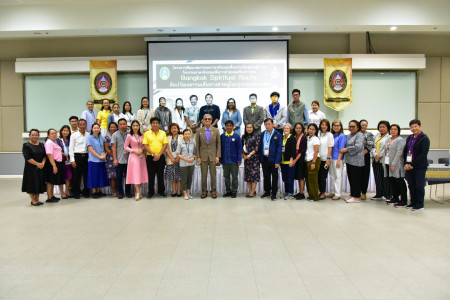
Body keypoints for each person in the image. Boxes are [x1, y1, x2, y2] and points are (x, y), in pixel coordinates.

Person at [403, 119, 430, 211]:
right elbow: (406, 152)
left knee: (419, 185)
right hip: (409, 166)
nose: (414, 128)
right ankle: (413, 202)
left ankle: (420, 204)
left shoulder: (424, 138)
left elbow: (423, 154)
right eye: (412, 127)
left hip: (419, 167)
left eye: (416, 126)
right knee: (411, 185)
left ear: (420, 127)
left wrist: (412, 164)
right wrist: (406, 163)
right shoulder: (409, 138)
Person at [195, 114, 221, 198]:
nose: (207, 120)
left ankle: (213, 191)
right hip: (203, 156)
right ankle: (204, 191)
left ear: (211, 120)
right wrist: (198, 157)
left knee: (213, 175)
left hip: (213, 156)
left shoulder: (216, 130)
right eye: (205, 119)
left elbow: (218, 144)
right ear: (202, 120)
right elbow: (197, 145)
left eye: (209, 119)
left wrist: (218, 156)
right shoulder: (199, 131)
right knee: (204, 175)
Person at [382, 124, 407, 207]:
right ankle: (395, 198)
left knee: (399, 182)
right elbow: (385, 151)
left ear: (398, 131)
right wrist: (384, 163)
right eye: (392, 129)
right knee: (392, 182)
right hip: (387, 162)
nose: (393, 131)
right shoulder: (388, 139)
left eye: (395, 129)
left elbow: (399, 153)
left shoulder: (400, 140)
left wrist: (393, 164)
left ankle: (403, 200)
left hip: (396, 164)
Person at [143, 117, 168, 198]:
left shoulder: (163, 133)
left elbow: (165, 144)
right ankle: (151, 192)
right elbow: (145, 145)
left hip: (161, 157)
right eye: (153, 123)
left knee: (160, 175)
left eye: (157, 123)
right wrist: (153, 155)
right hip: (150, 157)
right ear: (151, 124)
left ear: (159, 124)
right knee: (151, 176)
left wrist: (159, 155)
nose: (155, 124)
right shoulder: (147, 133)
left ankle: (161, 191)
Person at [340, 120, 365, 203]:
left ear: (358, 127)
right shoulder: (349, 135)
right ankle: (352, 194)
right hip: (349, 160)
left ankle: (356, 196)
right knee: (351, 178)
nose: (351, 128)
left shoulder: (360, 135)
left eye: (353, 126)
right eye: (349, 126)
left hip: (357, 161)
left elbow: (358, 147)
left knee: (356, 179)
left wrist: (346, 149)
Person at [124, 120, 148, 200]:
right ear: (131, 126)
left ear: (139, 126)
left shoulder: (142, 135)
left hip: (141, 156)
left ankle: (138, 192)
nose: (135, 127)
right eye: (133, 125)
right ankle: (137, 193)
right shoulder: (129, 136)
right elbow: (125, 147)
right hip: (134, 156)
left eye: (137, 125)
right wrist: (134, 150)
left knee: (140, 174)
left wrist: (143, 149)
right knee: (136, 174)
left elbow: (145, 145)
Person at [259, 118, 282, 201]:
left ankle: (274, 193)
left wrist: (277, 161)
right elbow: (260, 147)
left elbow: (279, 149)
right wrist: (260, 159)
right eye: (266, 124)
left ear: (272, 124)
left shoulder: (277, 134)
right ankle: (267, 191)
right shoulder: (262, 134)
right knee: (266, 176)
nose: (267, 126)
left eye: (269, 124)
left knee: (274, 177)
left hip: (274, 159)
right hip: (265, 158)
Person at [22, 129, 46, 206]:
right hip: (30, 168)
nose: (34, 136)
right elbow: (27, 157)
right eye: (33, 135)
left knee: (38, 183)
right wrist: (37, 164)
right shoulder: (26, 145)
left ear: (38, 136)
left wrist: (42, 163)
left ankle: (37, 199)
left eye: (36, 135)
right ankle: (33, 200)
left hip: (40, 168)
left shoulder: (42, 145)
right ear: (29, 136)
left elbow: (44, 156)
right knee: (31, 183)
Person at [86, 123, 109, 198]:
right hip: (93, 160)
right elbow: (90, 149)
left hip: (102, 160)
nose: (96, 129)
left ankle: (98, 191)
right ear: (92, 129)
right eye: (94, 128)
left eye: (97, 128)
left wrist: (104, 155)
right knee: (94, 176)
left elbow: (104, 148)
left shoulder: (101, 137)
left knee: (100, 176)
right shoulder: (90, 138)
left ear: (100, 129)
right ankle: (94, 192)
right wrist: (99, 156)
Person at [220, 120, 242, 198]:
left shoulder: (237, 136)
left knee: (234, 177)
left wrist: (239, 160)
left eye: (230, 125)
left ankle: (234, 191)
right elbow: (220, 148)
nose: (229, 127)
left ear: (233, 127)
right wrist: (220, 159)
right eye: (227, 126)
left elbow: (239, 149)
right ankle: (228, 191)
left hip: (234, 161)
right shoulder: (222, 136)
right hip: (225, 160)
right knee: (226, 177)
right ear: (225, 127)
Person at [69, 119, 90, 199]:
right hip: (77, 156)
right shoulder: (74, 135)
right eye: (80, 124)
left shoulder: (88, 135)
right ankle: (76, 192)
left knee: (86, 175)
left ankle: (86, 192)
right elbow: (71, 148)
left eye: (83, 124)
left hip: (86, 156)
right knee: (76, 176)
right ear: (78, 125)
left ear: (86, 125)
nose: (82, 126)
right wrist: (72, 160)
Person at [111, 118, 131, 199]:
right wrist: (115, 159)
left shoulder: (130, 133)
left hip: (129, 159)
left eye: (124, 124)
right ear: (118, 125)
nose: (122, 125)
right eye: (121, 124)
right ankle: (120, 192)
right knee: (118, 177)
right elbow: (114, 148)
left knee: (128, 177)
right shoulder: (115, 134)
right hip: (119, 160)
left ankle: (128, 192)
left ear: (126, 125)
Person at [44, 128, 66, 203]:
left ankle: (52, 196)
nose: (54, 135)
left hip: (58, 163)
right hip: (52, 163)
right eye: (52, 133)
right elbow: (49, 155)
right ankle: (49, 197)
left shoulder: (54, 142)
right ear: (48, 135)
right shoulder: (49, 143)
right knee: (50, 181)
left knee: (53, 181)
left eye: (55, 133)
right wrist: (54, 166)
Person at [327, 120, 347, 200]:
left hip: (337, 159)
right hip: (331, 158)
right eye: (334, 125)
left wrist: (339, 160)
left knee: (338, 176)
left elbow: (341, 149)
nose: (336, 127)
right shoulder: (332, 135)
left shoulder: (342, 136)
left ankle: (338, 193)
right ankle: (333, 191)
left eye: (338, 125)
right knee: (332, 175)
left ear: (341, 127)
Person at [372, 120, 391, 200]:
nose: (382, 129)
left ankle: (387, 195)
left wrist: (380, 155)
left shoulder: (389, 137)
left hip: (384, 160)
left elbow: (387, 148)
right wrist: (375, 155)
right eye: (380, 127)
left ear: (387, 128)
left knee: (385, 177)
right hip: (375, 159)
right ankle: (379, 194)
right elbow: (372, 147)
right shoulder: (376, 136)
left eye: (384, 127)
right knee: (377, 177)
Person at [242, 123, 260, 198]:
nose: (249, 129)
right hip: (246, 159)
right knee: (248, 176)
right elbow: (241, 147)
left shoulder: (256, 136)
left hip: (254, 159)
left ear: (253, 128)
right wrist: (244, 155)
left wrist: (250, 155)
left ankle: (252, 192)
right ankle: (250, 191)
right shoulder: (243, 137)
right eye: (247, 127)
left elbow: (257, 147)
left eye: (250, 127)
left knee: (254, 176)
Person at [177, 129, 197, 200]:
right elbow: (178, 154)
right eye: (186, 134)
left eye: (189, 134)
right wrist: (186, 159)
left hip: (191, 163)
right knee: (184, 179)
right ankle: (185, 193)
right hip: (183, 163)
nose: (187, 135)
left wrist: (193, 158)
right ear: (183, 135)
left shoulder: (193, 143)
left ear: (190, 135)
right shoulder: (180, 143)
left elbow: (194, 153)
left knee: (189, 179)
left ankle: (188, 192)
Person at [317, 119, 334, 199]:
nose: (323, 126)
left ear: (328, 126)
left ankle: (323, 192)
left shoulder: (329, 135)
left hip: (325, 159)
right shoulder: (318, 133)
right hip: (318, 159)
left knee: (322, 177)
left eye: (325, 125)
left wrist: (328, 159)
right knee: (317, 176)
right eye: (322, 124)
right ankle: (319, 192)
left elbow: (330, 148)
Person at [165, 123, 183, 197]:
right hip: (170, 159)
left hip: (180, 159)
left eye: (175, 128)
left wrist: (178, 157)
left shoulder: (181, 137)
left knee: (179, 176)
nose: (174, 130)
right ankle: (174, 191)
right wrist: (172, 158)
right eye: (172, 128)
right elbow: (166, 149)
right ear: (170, 130)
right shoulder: (168, 138)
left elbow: (183, 148)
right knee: (173, 176)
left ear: (178, 129)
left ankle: (179, 191)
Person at [280, 124, 297, 200]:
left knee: (290, 178)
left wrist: (291, 159)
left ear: (290, 130)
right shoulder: (282, 137)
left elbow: (293, 150)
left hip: (289, 162)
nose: (286, 129)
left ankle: (290, 193)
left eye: (287, 128)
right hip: (283, 162)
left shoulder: (292, 138)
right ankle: (286, 192)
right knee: (285, 178)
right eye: (285, 128)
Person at [305, 123, 320, 201]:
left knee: (313, 179)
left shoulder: (315, 139)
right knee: (308, 179)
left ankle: (315, 197)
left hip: (314, 160)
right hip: (308, 160)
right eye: (309, 129)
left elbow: (316, 151)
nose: (310, 131)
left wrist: (313, 162)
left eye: (312, 129)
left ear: (315, 131)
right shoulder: (307, 138)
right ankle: (310, 195)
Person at [360, 119, 374, 200]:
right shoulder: (356, 134)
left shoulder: (369, 134)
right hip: (355, 158)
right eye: (362, 125)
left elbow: (369, 146)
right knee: (357, 175)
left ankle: (364, 192)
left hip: (365, 156)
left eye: (365, 125)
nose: (364, 126)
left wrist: (360, 154)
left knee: (365, 175)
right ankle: (355, 192)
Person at [293, 122, 307, 200]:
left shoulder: (304, 137)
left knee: (301, 177)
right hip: (295, 158)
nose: (298, 129)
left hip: (300, 159)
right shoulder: (294, 136)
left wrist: (296, 159)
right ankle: (299, 192)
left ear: (302, 129)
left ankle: (302, 193)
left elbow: (302, 151)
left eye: (299, 128)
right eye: (296, 128)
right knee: (298, 176)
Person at [104, 122, 118, 197]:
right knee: (112, 176)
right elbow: (106, 149)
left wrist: (117, 156)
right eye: (111, 127)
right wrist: (114, 156)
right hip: (111, 158)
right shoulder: (107, 137)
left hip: (120, 157)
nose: (113, 128)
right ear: (109, 128)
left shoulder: (119, 135)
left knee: (119, 175)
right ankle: (114, 191)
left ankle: (120, 190)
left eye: (114, 127)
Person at [58, 125, 72, 198]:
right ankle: (62, 192)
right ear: (61, 131)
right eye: (64, 130)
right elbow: (57, 150)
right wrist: (64, 154)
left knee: (68, 177)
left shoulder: (70, 140)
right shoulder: (58, 140)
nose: (65, 132)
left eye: (67, 130)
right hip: (61, 160)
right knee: (61, 177)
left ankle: (67, 191)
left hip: (69, 161)